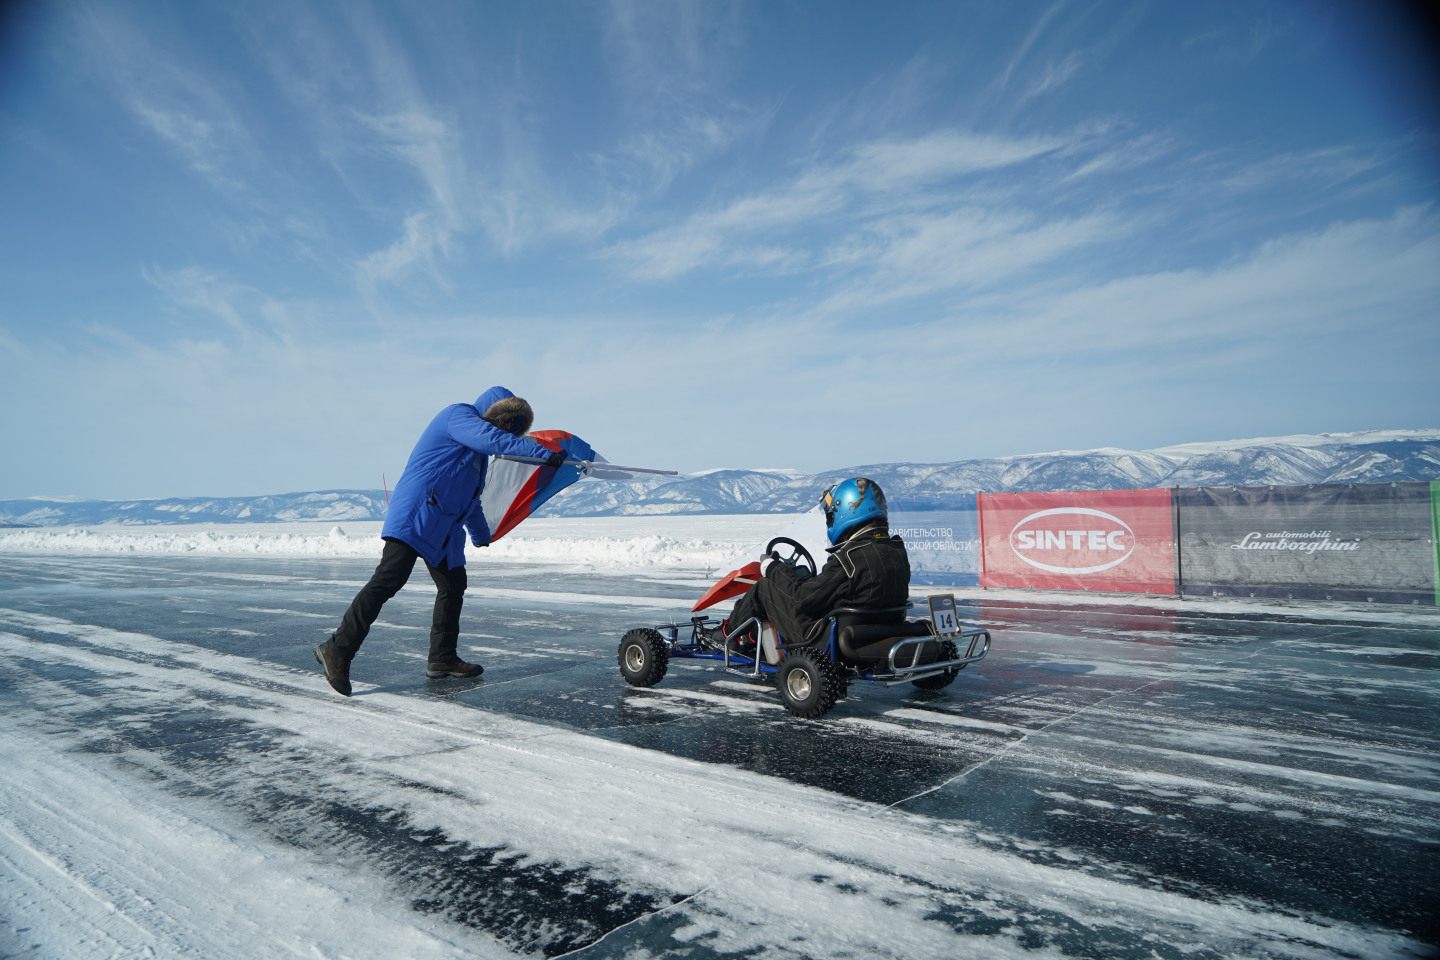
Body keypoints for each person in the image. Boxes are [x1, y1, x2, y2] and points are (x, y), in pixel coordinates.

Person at [313, 386, 565, 696]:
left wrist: (481, 534)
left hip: (444, 529)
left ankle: (442, 658)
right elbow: (492, 440)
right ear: (495, 415)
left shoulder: (477, 458)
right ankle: (337, 649)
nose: (506, 431)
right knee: (388, 580)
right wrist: (543, 454)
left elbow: (471, 499)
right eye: (506, 424)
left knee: (453, 586)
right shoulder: (457, 416)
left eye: (513, 428)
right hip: (416, 514)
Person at [708, 477, 910, 652]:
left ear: (847, 510)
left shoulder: (849, 558)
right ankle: (751, 636)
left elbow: (804, 599)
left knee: (765, 587)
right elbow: (838, 591)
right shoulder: (894, 550)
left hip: (822, 636)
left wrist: (772, 568)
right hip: (880, 626)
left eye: (831, 514)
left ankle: (727, 635)